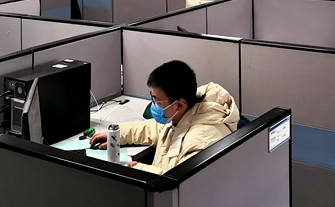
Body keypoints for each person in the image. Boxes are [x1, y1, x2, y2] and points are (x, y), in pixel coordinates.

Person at [90, 60, 240, 174]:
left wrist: (134, 168)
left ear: (179, 104)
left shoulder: (201, 142)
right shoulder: (186, 113)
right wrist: (117, 134)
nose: (154, 105)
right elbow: (156, 129)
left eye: (158, 102)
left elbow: (177, 185)